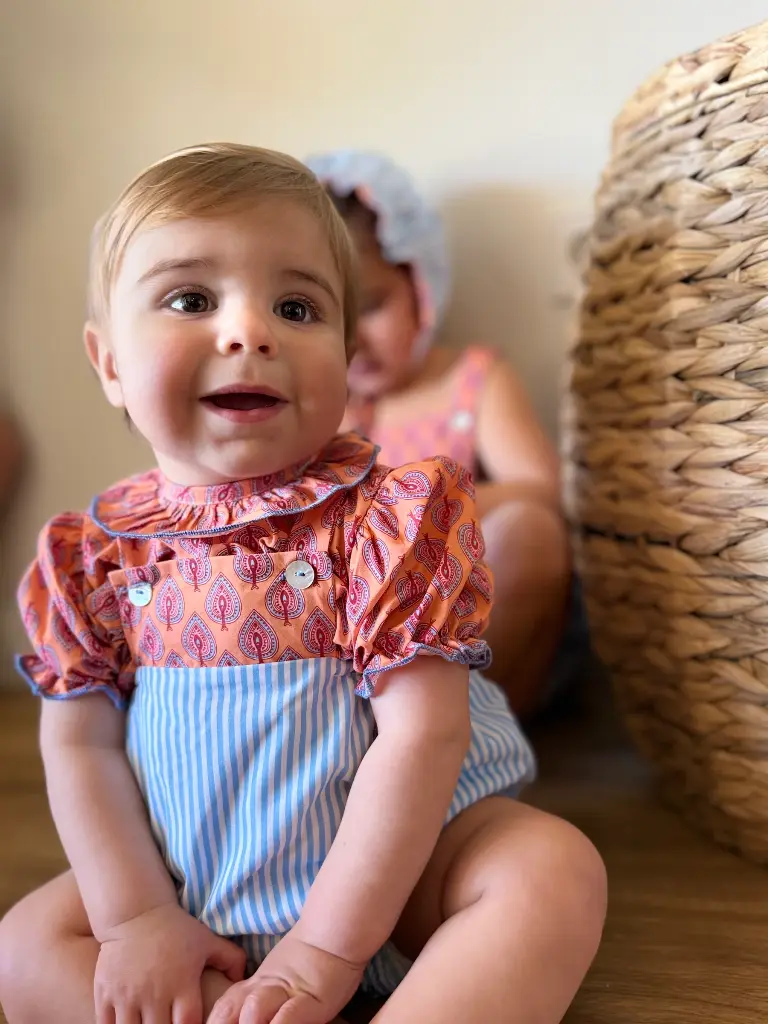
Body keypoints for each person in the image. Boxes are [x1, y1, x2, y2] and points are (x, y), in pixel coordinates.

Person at [0, 143, 606, 1024]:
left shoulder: (387, 526)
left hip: (403, 874)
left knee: (550, 872)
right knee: (22, 951)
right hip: (189, 888)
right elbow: (80, 749)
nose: (251, 331)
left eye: (296, 305)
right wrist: (135, 920)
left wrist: (324, 949)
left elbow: (422, 741)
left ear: (346, 353)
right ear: (110, 365)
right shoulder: (94, 561)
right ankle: (222, 1004)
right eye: (190, 299)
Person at [306, 150, 591, 719]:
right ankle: (354, 740)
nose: (352, 338)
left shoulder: (471, 380)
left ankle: (472, 738)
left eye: (371, 306)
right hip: (363, 648)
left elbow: (541, 489)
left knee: (532, 531)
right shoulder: (317, 410)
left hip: (471, 637)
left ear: (421, 281)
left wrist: (424, 508)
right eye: (317, 315)